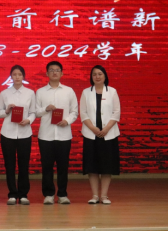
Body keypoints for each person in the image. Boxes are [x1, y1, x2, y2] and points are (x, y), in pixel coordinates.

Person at [36, 61, 78, 205]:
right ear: (47, 73)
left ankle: (62, 194)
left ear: (62, 73)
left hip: (64, 135)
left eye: (57, 70)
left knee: (63, 167)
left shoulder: (69, 91)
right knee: (47, 166)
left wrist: (67, 121)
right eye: (51, 70)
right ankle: (48, 194)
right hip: (45, 135)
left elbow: (74, 111)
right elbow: (35, 112)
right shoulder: (40, 92)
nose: (54, 72)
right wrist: (45, 109)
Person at [80, 65, 121, 205]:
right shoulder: (86, 92)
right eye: (94, 74)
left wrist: (106, 129)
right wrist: (93, 128)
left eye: (100, 74)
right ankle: (95, 195)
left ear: (105, 76)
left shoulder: (112, 91)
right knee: (92, 166)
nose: (97, 77)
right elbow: (83, 113)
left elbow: (116, 112)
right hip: (91, 134)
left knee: (106, 166)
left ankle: (104, 196)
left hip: (109, 134)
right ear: (91, 77)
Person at [0, 65, 36, 205]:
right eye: (14, 74)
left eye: (20, 74)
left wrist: (28, 120)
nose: (17, 77)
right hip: (7, 133)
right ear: (11, 77)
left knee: (24, 165)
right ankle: (12, 194)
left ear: (23, 76)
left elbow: (33, 112)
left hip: (25, 133)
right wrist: (7, 110)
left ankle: (23, 194)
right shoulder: (4, 93)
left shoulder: (30, 93)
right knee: (10, 165)